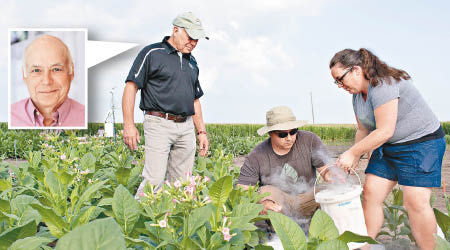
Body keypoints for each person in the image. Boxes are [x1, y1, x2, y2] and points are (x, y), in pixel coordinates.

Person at [330, 48, 446, 250]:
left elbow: (385, 130)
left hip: (421, 144)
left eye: (340, 79)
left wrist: (353, 153)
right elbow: (364, 129)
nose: (339, 85)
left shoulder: (383, 84)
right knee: (371, 193)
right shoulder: (357, 96)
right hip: (389, 146)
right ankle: (363, 246)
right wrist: (355, 158)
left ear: (356, 70)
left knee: (415, 202)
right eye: (336, 82)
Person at [122, 12, 209, 196]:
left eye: (197, 39)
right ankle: (136, 222)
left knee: (181, 183)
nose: (193, 42)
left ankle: (169, 223)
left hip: (185, 128)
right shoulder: (152, 53)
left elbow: (194, 99)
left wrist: (201, 131)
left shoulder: (192, 62)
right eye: (190, 36)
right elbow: (131, 87)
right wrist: (128, 124)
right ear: (175, 30)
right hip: (159, 124)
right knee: (154, 181)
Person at [237, 106, 328, 223]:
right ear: (270, 133)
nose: (289, 138)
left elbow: (326, 170)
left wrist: (333, 176)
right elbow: (242, 191)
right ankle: (278, 234)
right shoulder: (256, 156)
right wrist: (263, 205)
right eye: (282, 134)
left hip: (308, 199)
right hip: (279, 206)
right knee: (266, 191)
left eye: (293, 131)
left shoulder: (310, 140)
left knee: (332, 189)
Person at [10, 35, 85, 127]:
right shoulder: (9, 117)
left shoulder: (86, 117)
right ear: (24, 76)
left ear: (71, 72)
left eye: (56, 69)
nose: (47, 81)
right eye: (36, 70)